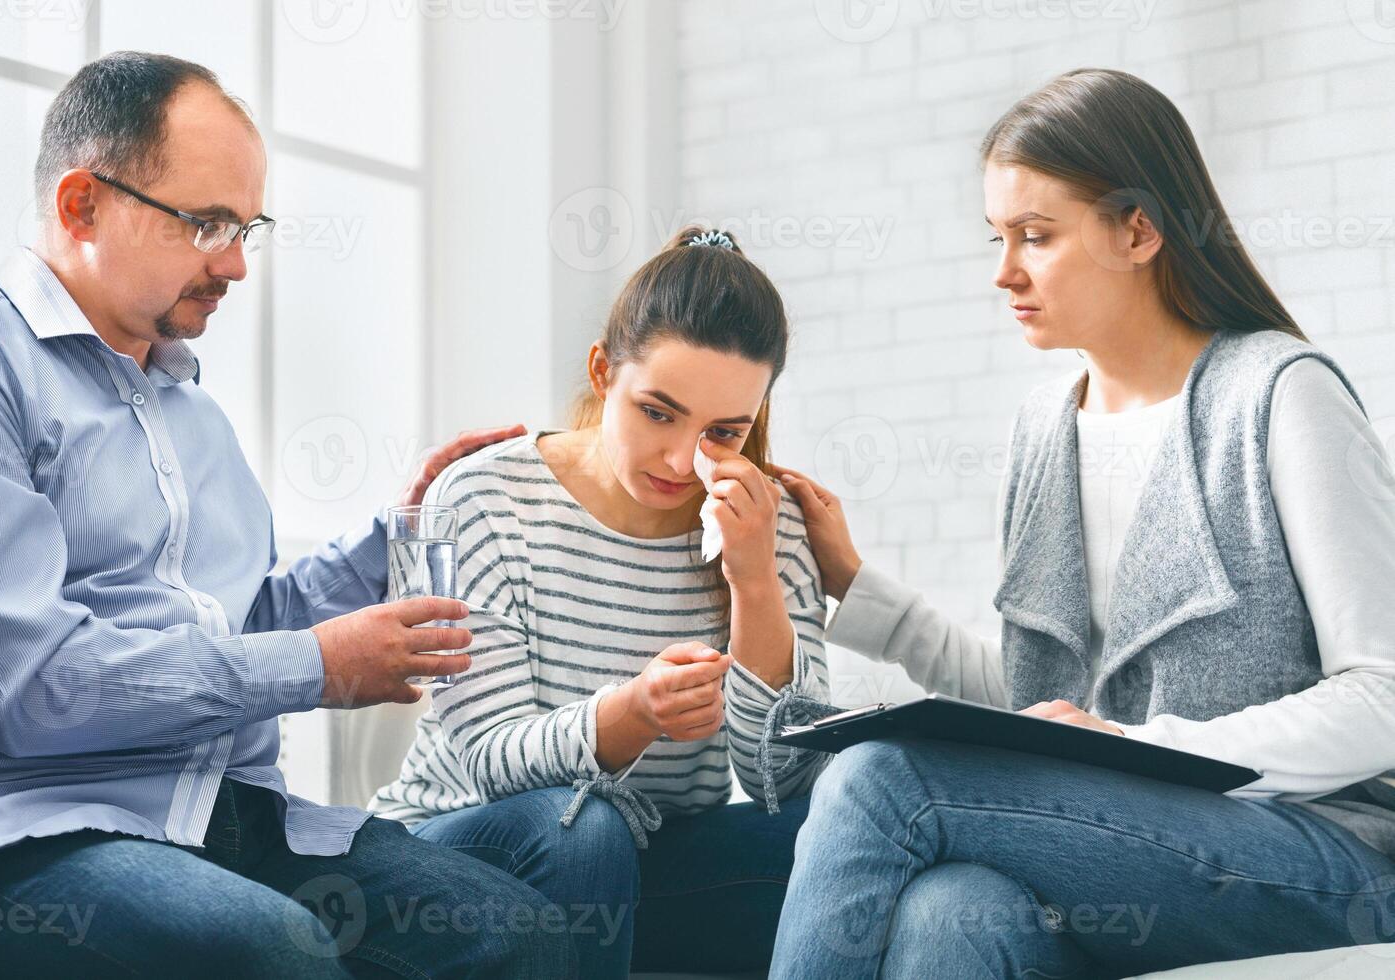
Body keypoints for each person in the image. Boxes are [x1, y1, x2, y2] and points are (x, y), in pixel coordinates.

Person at [0, 52, 573, 979]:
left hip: (232, 813)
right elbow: (33, 687)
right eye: (206, 224)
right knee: (270, 947)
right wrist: (319, 666)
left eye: (245, 227)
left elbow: (242, 627)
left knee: (524, 936)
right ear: (81, 205)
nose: (233, 261)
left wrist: (392, 536)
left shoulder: (194, 413)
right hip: (33, 828)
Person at [768, 68, 1395, 979]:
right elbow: (1051, 701)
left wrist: (1137, 749)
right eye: (998, 237)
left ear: (1139, 229)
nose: (1004, 271)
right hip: (1128, 841)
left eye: (1036, 235)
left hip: (1317, 853)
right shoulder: (1042, 427)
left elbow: (1383, 695)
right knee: (955, 910)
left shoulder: (1280, 396)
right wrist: (863, 593)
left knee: (880, 777)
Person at [370, 226, 832, 977]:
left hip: (645, 867)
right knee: (586, 828)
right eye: (658, 412)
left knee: (844, 831)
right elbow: (490, 762)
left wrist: (755, 582)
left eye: (724, 432)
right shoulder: (486, 497)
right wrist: (636, 714)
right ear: (601, 371)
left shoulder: (762, 519)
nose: (684, 459)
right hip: (462, 846)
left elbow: (786, 780)